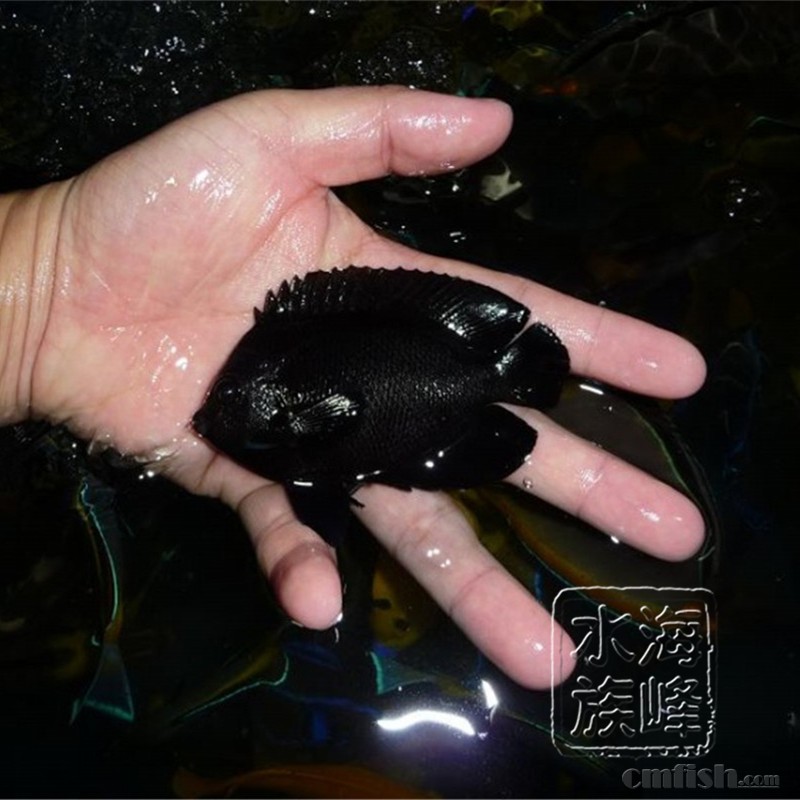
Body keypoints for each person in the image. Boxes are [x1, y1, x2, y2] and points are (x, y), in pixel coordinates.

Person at [0, 86, 706, 690]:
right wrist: (38, 279)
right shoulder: (269, 386)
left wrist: (38, 275)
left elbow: (325, 457)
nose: (211, 416)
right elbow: (325, 464)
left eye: (226, 408)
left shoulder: (269, 395)